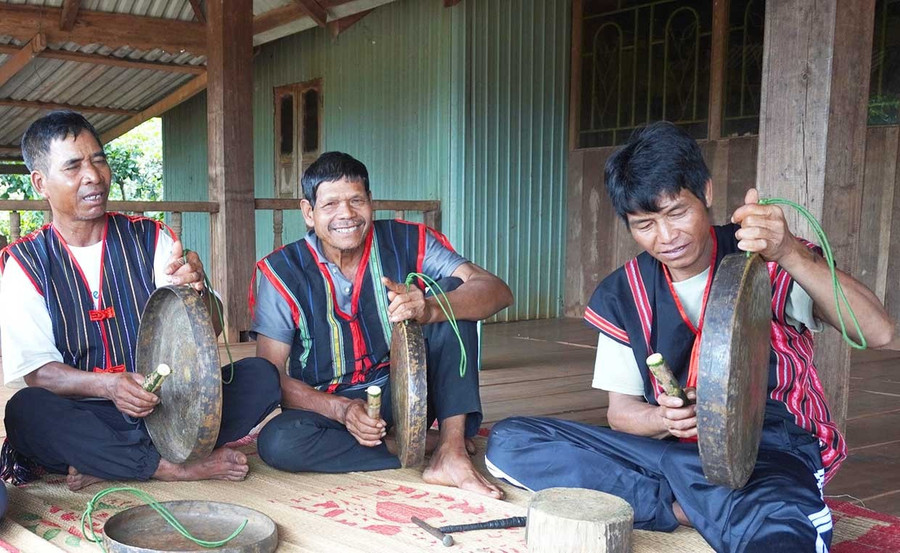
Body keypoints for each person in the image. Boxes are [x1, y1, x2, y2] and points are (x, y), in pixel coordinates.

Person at [484, 122, 896, 552]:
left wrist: (791, 251)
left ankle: (698, 503)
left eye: (677, 213)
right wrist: (663, 420)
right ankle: (689, 506)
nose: (666, 237)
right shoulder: (623, 292)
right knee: (512, 441)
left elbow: (879, 331)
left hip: (767, 454)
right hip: (671, 452)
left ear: (707, 193)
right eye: (644, 224)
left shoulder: (764, 259)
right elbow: (621, 413)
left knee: (781, 536)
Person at [0, 111, 281, 491]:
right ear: (40, 183)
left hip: (167, 406)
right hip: (88, 414)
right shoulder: (24, 263)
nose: (93, 176)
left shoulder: (151, 239)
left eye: (98, 159)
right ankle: (166, 466)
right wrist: (109, 387)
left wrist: (197, 291)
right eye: (73, 166)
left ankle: (110, 462)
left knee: (261, 376)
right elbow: (39, 372)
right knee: (25, 411)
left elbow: (211, 328)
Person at [251, 151, 513, 498]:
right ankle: (408, 444)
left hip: (407, 393)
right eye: (330, 205)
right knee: (277, 442)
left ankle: (450, 449)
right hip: (328, 406)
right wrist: (343, 411)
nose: (346, 214)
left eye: (356, 200)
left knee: (451, 296)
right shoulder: (280, 272)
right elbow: (270, 378)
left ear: (370, 203)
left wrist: (430, 307)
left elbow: (496, 291)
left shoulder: (409, 240)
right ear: (308, 213)